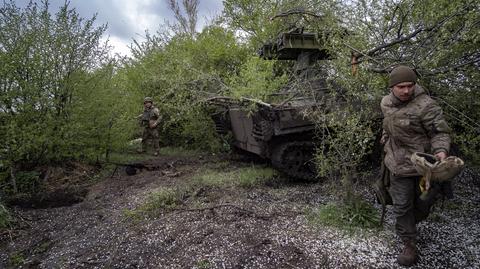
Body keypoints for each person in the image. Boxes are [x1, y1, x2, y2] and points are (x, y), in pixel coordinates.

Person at [380, 65, 451, 266]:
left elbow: (440, 133)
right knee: (402, 205)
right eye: (401, 86)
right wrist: (385, 137)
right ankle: (409, 243)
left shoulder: (426, 106)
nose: (406, 91)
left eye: (410, 86)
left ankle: (411, 223)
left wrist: (441, 151)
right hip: (397, 164)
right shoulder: (385, 103)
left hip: (423, 165)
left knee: (423, 204)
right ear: (392, 87)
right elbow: (387, 122)